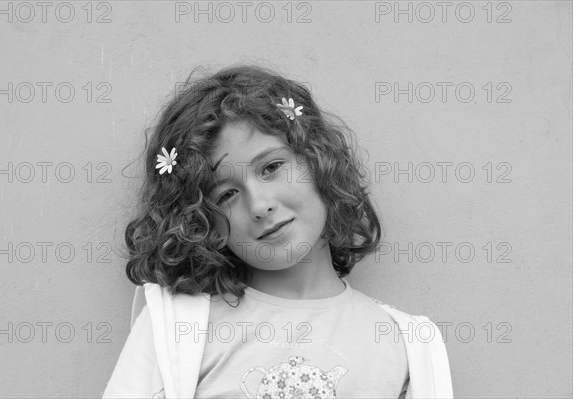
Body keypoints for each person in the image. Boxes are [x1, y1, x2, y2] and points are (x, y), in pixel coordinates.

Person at [102, 64, 453, 399]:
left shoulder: (404, 342)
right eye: (226, 194)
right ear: (202, 222)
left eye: (271, 167)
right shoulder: (178, 328)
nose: (259, 205)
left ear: (318, 160)